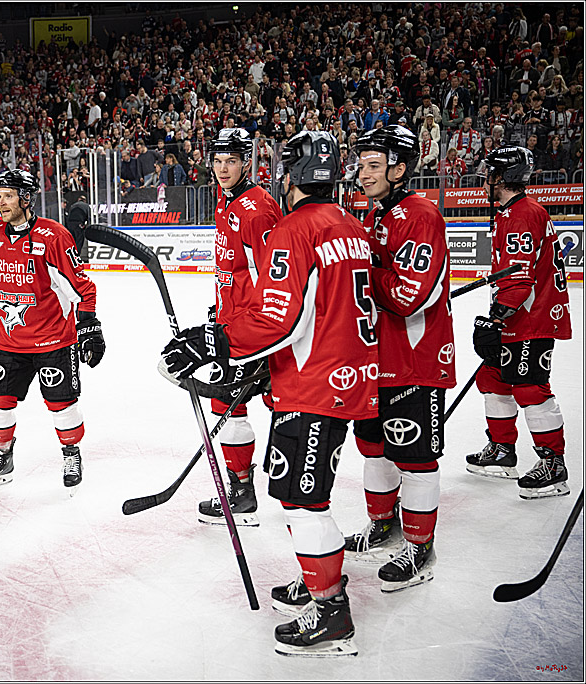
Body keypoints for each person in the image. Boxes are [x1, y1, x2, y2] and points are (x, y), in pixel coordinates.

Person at [159, 131, 376, 657]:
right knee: (309, 490)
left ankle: (331, 612)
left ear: (289, 174)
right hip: (345, 373)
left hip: (313, 381)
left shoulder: (291, 229)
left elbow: (278, 316)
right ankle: (317, 579)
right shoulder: (350, 224)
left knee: (302, 498)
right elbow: (313, 310)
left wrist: (217, 340)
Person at [344, 126, 455, 592]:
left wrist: (364, 274)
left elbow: (410, 295)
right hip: (375, 357)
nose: (363, 174)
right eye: (362, 164)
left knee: (414, 457)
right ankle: (382, 521)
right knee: (372, 445)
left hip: (414, 358)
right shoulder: (374, 215)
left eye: (374, 165)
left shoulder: (420, 214)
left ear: (400, 169)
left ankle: (419, 543)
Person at [0, 169, 105, 494]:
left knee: (62, 404)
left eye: (8, 195)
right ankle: (2, 460)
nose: (1, 202)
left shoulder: (53, 236)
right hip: (11, 341)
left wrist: (89, 326)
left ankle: (72, 455)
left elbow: (83, 287)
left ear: (26, 198)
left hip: (54, 342)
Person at [466, 147, 572, 500]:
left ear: (502, 177)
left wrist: (495, 319)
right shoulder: (513, 212)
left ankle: (553, 465)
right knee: (492, 377)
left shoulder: (522, 215)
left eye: (490, 175)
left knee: (529, 387)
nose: (486, 181)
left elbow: (521, 281)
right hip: (521, 314)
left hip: (532, 317)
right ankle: (501, 450)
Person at [191, 128, 282, 527]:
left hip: (258, 331)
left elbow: (274, 278)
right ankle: (241, 490)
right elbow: (234, 270)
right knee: (226, 405)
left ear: (248, 162)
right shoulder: (226, 202)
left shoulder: (257, 209)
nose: (223, 168)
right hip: (234, 326)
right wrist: (221, 310)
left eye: (231, 160)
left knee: (280, 403)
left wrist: (265, 334)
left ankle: (292, 489)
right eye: (218, 160)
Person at [63, 194, 92, 259]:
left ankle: (71, 256)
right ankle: (76, 256)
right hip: (79, 225)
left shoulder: (73, 206)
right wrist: (88, 227)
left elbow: (69, 216)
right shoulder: (87, 206)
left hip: (70, 225)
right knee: (79, 241)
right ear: (85, 200)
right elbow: (89, 218)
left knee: (72, 241)